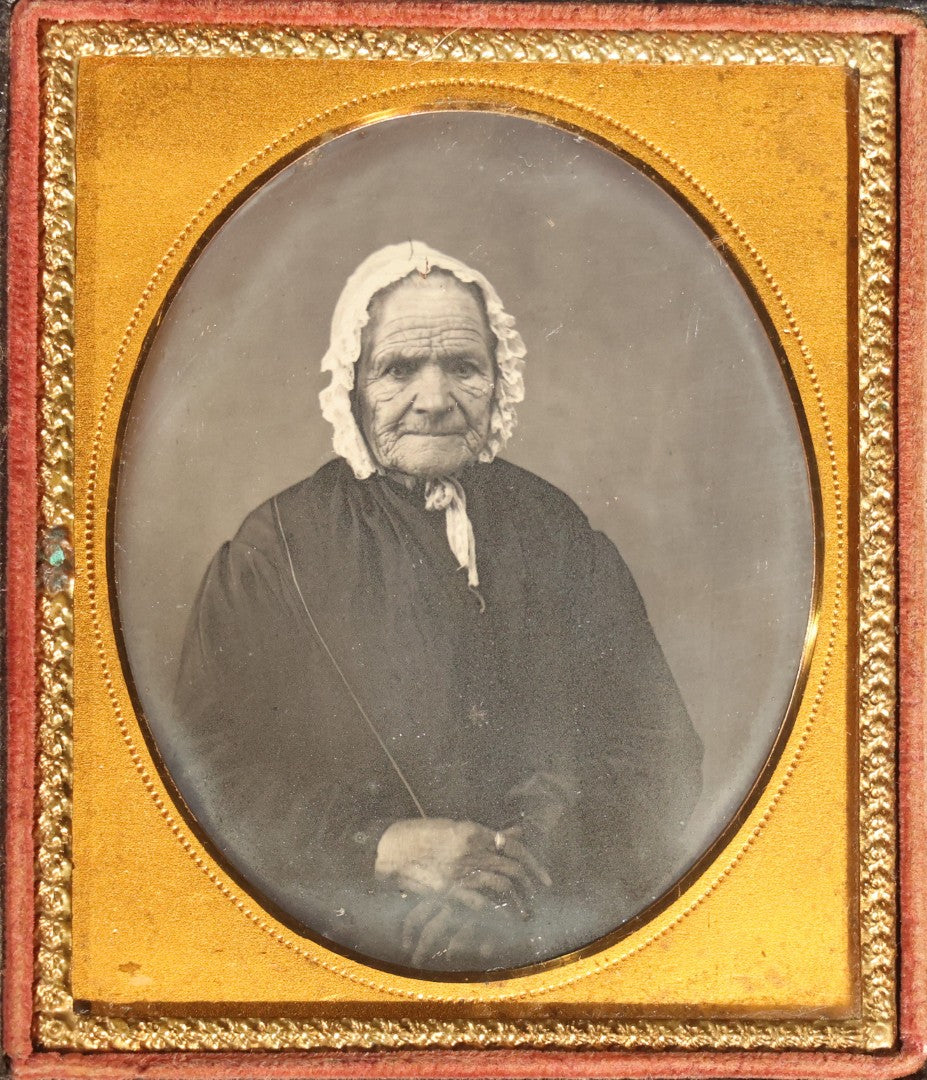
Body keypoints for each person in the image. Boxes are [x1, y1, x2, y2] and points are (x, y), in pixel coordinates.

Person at [173, 241, 702, 973]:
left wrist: (523, 872)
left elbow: (656, 747)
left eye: (462, 366)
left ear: (498, 378)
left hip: (546, 929)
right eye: (397, 369)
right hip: (343, 940)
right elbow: (204, 773)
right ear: (351, 383)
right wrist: (383, 850)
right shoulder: (274, 551)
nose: (434, 399)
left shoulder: (555, 529)